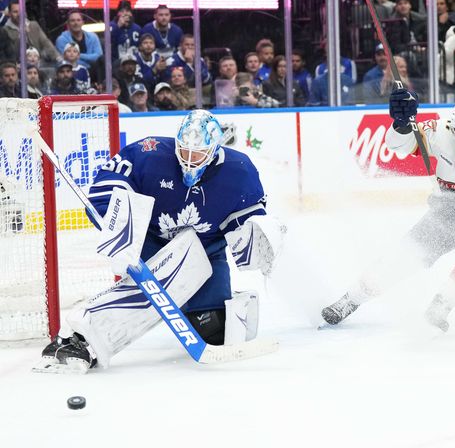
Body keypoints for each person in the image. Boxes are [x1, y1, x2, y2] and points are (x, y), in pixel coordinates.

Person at [36, 110, 284, 372]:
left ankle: (210, 299)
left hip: (207, 250)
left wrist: (257, 238)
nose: (189, 160)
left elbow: (246, 220)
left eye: (198, 154)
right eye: (184, 151)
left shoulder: (240, 171)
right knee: (152, 290)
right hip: (152, 241)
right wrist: (120, 228)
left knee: (214, 330)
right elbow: (108, 188)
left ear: (213, 151)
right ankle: (78, 339)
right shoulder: (149, 152)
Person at [321, 93, 455, 332]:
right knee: (404, 255)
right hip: (450, 214)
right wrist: (401, 124)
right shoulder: (444, 130)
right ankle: (351, 299)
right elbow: (400, 145)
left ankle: (442, 306)